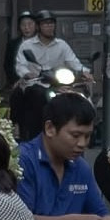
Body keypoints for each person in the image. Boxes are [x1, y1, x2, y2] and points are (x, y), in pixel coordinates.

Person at [11, 10, 92, 141]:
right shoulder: (27, 45)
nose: (49, 26)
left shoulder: (62, 45)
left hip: (57, 82)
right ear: (38, 27)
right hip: (35, 83)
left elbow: (73, 61)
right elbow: (20, 65)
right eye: (45, 24)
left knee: (77, 96)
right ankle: (33, 131)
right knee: (36, 94)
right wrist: (27, 73)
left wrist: (84, 71)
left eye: (51, 23)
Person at [3, 10, 38, 89]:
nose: (27, 28)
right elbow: (8, 65)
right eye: (23, 25)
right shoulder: (13, 44)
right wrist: (15, 81)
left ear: (36, 26)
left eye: (30, 24)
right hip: (19, 84)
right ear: (19, 27)